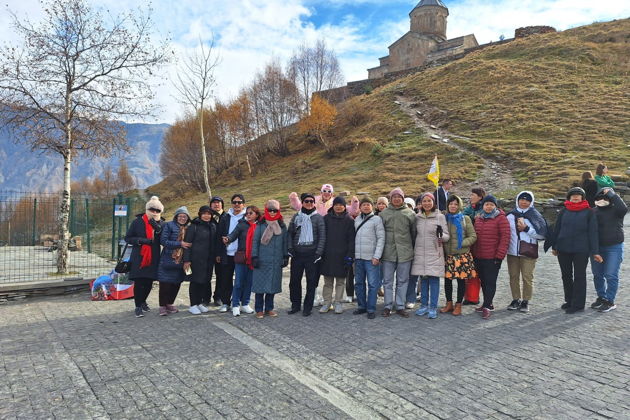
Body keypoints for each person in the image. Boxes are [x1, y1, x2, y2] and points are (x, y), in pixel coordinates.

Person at [547, 187, 601, 314]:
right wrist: (554, 246)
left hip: (581, 250)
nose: (575, 197)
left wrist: (595, 251)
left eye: (578, 195)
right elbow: (557, 229)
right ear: (569, 198)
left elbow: (593, 233)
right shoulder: (563, 211)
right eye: (573, 195)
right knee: (566, 275)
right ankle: (569, 300)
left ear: (583, 197)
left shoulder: (589, 212)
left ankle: (578, 304)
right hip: (563, 248)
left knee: (579, 276)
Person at [505, 191, 547, 313]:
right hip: (512, 251)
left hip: (528, 251)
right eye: (522, 199)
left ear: (531, 202)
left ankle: (526, 300)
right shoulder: (510, 216)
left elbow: (542, 235)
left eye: (527, 200)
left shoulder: (535, 216)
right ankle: (516, 299)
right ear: (517, 200)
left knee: (527, 277)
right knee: (513, 277)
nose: (524, 202)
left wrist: (526, 229)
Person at [411, 193, 450, 319]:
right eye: (424, 201)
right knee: (423, 281)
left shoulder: (440, 217)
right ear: (421, 203)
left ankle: (433, 306)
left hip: (434, 253)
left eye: (429, 201)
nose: (427, 203)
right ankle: (423, 305)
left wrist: (441, 235)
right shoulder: (417, 217)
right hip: (420, 253)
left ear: (433, 202)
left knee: (433, 281)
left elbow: (447, 236)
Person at [471, 195, 510, 319]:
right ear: (483, 206)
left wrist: (499, 256)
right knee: (483, 281)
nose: (488, 207)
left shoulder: (501, 219)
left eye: (491, 204)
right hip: (479, 256)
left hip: (492, 257)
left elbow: (505, 238)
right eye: (486, 204)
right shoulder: (479, 218)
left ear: (495, 206)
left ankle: (487, 306)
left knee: (490, 282)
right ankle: (487, 303)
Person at [379, 187, 416, 318]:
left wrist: (410, 248)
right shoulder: (383, 214)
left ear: (403, 198)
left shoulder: (410, 214)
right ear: (390, 198)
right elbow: (380, 234)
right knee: (387, 281)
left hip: (405, 253)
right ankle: (387, 306)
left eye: (399, 197)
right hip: (388, 253)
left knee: (403, 280)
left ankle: (400, 305)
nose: (396, 199)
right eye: (394, 197)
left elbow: (414, 233)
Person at [124, 196, 164, 318]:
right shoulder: (138, 221)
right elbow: (128, 238)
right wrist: (141, 240)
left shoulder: (161, 223)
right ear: (147, 209)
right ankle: (137, 306)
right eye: (152, 209)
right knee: (139, 281)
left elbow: (164, 240)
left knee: (149, 281)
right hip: (139, 256)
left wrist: (158, 230)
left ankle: (143, 301)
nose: (154, 212)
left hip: (154, 256)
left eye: (157, 210)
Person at [287, 193, 326, 316]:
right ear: (302, 203)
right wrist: (290, 248)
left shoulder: (318, 218)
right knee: (294, 281)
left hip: (312, 255)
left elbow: (322, 236)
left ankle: (307, 307)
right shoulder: (296, 216)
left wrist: (318, 252)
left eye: (311, 201)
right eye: (306, 201)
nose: (309, 203)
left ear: (314, 203)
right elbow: (290, 233)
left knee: (311, 282)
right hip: (297, 254)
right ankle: (295, 305)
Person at [590, 188, 626, 312]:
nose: (602, 200)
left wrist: (611, 193)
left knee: (610, 275)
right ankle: (602, 297)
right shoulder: (593, 211)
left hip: (614, 247)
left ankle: (610, 301)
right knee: (597, 274)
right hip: (597, 248)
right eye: (599, 198)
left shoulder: (617, 210)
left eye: (605, 198)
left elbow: (624, 208)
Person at [251, 200, 288, 318]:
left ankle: (269, 308)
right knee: (260, 286)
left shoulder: (282, 226)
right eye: (270, 210)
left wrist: (285, 256)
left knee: (272, 285)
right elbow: (255, 241)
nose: (272, 212)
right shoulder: (260, 224)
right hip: (262, 259)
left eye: (275, 210)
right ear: (266, 211)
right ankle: (259, 309)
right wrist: (254, 256)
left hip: (275, 260)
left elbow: (285, 242)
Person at [442, 195, 477, 316]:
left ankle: (458, 305)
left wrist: (461, 243)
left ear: (459, 205)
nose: (453, 206)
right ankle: (449, 303)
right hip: (448, 255)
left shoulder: (465, 219)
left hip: (461, 255)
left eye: (456, 204)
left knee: (461, 281)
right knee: (447, 281)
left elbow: (473, 236)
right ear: (447, 205)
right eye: (451, 204)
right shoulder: (444, 219)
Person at [319, 196, 355, 314]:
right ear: (333, 206)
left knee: (340, 282)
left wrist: (350, 255)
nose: (338, 207)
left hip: (342, 256)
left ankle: (338, 302)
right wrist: (321, 253)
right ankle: (327, 303)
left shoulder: (349, 220)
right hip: (328, 255)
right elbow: (321, 237)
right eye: (336, 205)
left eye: (341, 205)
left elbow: (351, 240)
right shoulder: (326, 219)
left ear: (344, 207)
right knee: (328, 282)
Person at [224, 205, 262, 316]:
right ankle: (235, 304)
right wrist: (228, 239)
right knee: (239, 282)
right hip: (242, 257)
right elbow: (233, 235)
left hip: (254, 258)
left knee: (249, 283)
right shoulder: (242, 224)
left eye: (251, 213)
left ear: (257, 215)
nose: (248, 215)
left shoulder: (260, 226)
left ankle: (245, 303)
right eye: (247, 213)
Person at [353, 197, 385, 319]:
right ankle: (362, 306)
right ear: (360, 207)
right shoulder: (356, 219)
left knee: (373, 284)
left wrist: (377, 256)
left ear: (372, 206)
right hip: (358, 258)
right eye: (364, 204)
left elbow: (381, 238)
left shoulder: (377, 219)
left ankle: (371, 308)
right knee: (359, 283)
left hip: (371, 258)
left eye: (368, 204)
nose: (366, 206)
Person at [183, 206, 217, 314]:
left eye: (209, 214)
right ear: (200, 214)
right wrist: (187, 260)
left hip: (208, 260)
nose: (207, 216)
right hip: (195, 259)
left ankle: (199, 303)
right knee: (195, 282)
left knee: (205, 281)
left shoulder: (212, 226)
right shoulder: (194, 226)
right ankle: (193, 304)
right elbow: (187, 244)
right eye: (204, 213)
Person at [157, 206, 191, 316]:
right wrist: (179, 244)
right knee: (165, 284)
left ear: (187, 218)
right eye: (180, 216)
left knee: (176, 283)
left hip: (181, 260)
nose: (182, 218)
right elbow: (163, 241)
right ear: (176, 217)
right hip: (168, 258)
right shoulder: (169, 225)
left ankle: (170, 303)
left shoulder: (189, 227)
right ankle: (162, 306)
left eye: (184, 216)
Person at [216, 194, 246, 312]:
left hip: (241, 254)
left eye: (239, 202)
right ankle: (225, 303)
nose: (237, 204)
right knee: (225, 279)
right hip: (227, 253)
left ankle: (239, 302)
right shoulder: (225, 217)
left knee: (241, 280)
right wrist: (218, 253)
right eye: (234, 202)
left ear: (243, 204)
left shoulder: (247, 217)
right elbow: (219, 235)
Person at [289, 184, 359, 217]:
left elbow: (351, 211)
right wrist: (294, 198)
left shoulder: (335, 202)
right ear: (321, 192)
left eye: (329, 191)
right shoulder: (314, 199)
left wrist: (355, 203)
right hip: (315, 225)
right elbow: (300, 207)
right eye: (324, 191)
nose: (326, 193)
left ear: (332, 194)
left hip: (329, 226)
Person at [208, 196, 225, 307]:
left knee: (221, 275)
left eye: (218, 202)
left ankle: (218, 296)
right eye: (213, 202)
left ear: (222, 204)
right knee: (206, 275)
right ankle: (205, 297)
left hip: (222, 251)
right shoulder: (207, 216)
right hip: (208, 251)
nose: (216, 204)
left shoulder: (226, 216)